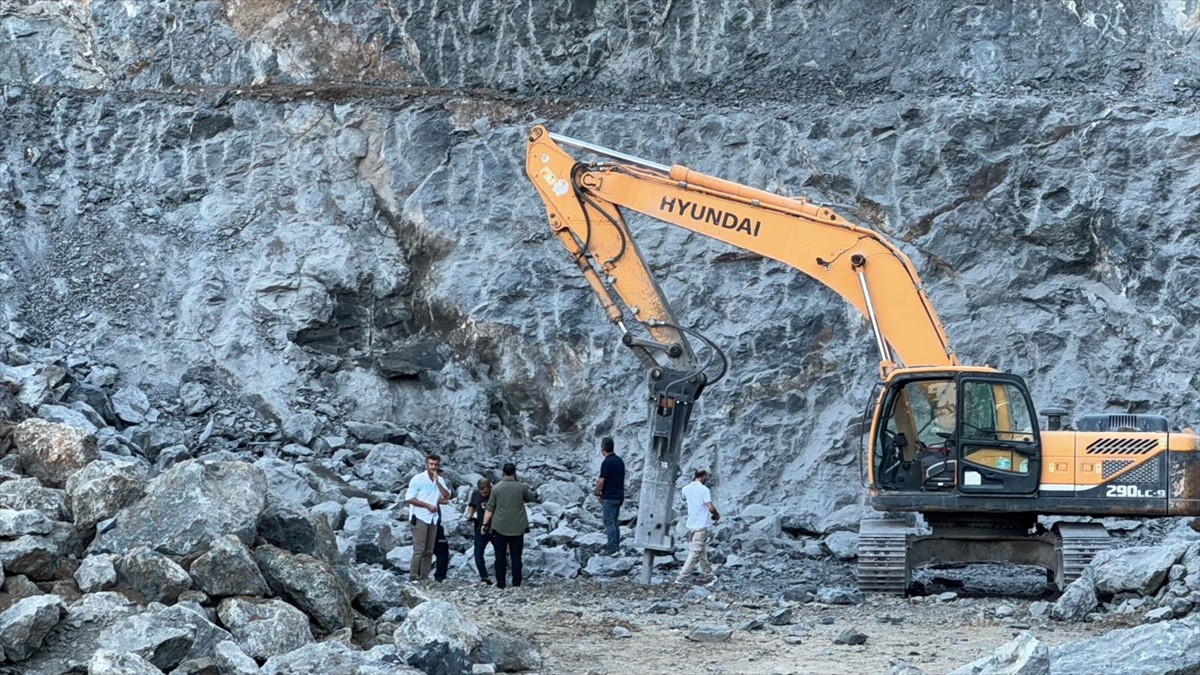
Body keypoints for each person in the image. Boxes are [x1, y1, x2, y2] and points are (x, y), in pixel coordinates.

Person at [482, 463, 537, 589]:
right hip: (518, 526)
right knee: (516, 556)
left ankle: (501, 583)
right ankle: (516, 583)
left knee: (500, 556)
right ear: (514, 472)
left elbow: (490, 508)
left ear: (503, 473)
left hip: (499, 526)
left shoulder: (496, 488)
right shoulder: (521, 487)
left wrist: (484, 524)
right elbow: (531, 499)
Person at [405, 454, 451, 582]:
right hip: (420, 516)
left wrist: (438, 483)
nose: (433, 467)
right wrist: (427, 506)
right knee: (419, 549)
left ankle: (424, 577)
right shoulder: (417, 479)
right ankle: (413, 576)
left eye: (436, 465)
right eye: (431, 464)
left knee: (429, 550)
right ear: (426, 465)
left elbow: (446, 496)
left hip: (433, 518)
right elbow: (409, 498)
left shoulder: (440, 480)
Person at [677, 468, 720, 583]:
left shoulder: (685, 489)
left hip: (690, 525)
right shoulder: (704, 490)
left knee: (701, 551)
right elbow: (710, 507)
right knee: (695, 552)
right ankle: (681, 578)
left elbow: (684, 497)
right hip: (701, 526)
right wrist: (716, 515)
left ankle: (709, 574)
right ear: (704, 476)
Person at [593, 437, 625, 555]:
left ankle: (611, 547)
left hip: (610, 497)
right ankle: (615, 544)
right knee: (614, 521)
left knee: (609, 522)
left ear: (603, 449)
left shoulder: (607, 463)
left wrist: (597, 492)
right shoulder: (619, 461)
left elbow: (601, 481)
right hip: (619, 496)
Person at [464, 478, 494, 585]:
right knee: (478, 553)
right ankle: (484, 576)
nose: (484, 494)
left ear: (490, 487)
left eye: (486, 492)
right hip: (480, 527)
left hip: (495, 527)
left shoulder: (495, 493)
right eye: (482, 492)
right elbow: (472, 505)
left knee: (500, 552)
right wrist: (470, 515)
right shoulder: (476, 494)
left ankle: (501, 576)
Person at [433, 467, 453, 582]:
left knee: (438, 549)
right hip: (431, 522)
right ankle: (439, 576)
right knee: (441, 550)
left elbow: (445, 498)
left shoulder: (438, 481)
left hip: (435, 522)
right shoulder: (427, 483)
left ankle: (422, 575)